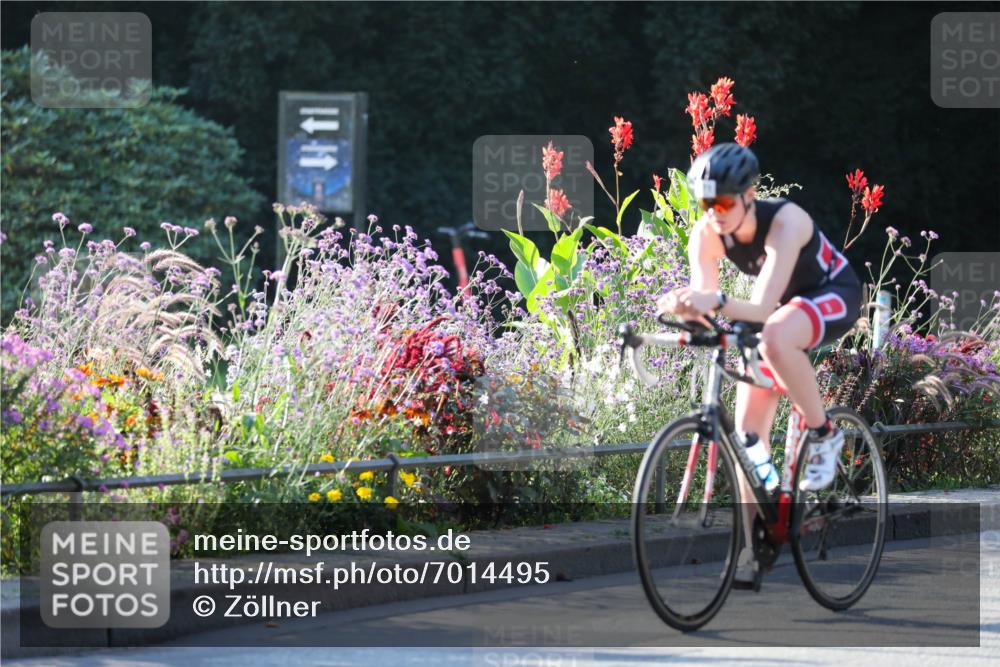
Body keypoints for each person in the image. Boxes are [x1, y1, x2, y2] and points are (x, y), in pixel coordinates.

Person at [655, 142, 862, 587]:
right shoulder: (706, 234)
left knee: (775, 334)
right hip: (782, 315)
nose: (715, 211)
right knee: (750, 444)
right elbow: (710, 305)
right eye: (706, 202)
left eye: (725, 201)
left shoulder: (786, 220)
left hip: (831, 294)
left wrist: (715, 300)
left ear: (749, 195)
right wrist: (685, 306)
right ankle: (755, 546)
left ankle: (825, 434)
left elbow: (765, 306)